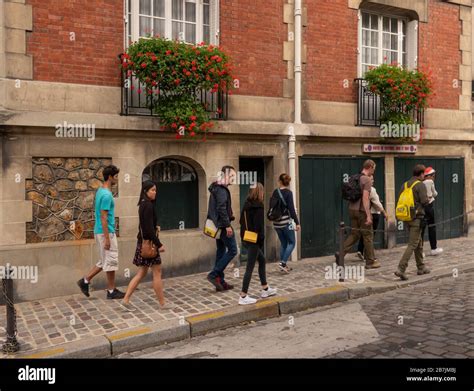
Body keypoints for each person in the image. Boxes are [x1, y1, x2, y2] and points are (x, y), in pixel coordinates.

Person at [121, 180, 173, 311]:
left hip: (143, 243)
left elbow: (144, 227)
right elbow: (148, 229)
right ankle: (163, 304)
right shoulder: (148, 205)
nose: (155, 192)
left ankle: (126, 300)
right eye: (152, 190)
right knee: (157, 272)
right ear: (146, 191)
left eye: (156, 190)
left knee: (142, 273)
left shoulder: (143, 204)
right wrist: (159, 244)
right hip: (150, 245)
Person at [77, 165, 125, 299]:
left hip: (100, 231)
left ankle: (85, 281)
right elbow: (104, 217)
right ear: (110, 177)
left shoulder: (100, 191)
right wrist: (108, 239)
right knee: (111, 260)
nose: (117, 179)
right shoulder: (106, 195)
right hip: (106, 232)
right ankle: (111, 291)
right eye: (116, 176)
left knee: (105, 259)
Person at [336, 160, 380, 269]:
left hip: (352, 210)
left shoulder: (354, 177)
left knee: (354, 234)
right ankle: (370, 261)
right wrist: (368, 215)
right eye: (373, 169)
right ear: (370, 167)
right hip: (362, 211)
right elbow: (365, 198)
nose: (373, 171)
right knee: (368, 235)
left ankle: (340, 253)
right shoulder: (367, 180)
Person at [239, 183, 277, 305]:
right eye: (262, 191)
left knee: (262, 260)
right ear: (259, 192)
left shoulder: (246, 205)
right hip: (254, 241)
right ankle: (243, 296)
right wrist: (260, 241)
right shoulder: (258, 207)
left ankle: (265, 289)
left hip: (247, 238)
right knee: (249, 267)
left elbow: (241, 221)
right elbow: (259, 227)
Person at [395, 164, 431, 281]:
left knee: (418, 242)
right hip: (417, 218)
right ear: (421, 174)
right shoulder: (420, 185)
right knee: (412, 244)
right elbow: (425, 202)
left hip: (407, 218)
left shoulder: (404, 185)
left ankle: (421, 267)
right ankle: (401, 269)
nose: (424, 177)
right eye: (423, 175)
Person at [206, 165, 237, 291]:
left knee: (221, 250)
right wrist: (227, 225)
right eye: (232, 176)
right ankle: (214, 274)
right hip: (223, 225)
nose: (233, 179)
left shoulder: (217, 187)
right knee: (233, 250)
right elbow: (221, 208)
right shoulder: (221, 189)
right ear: (225, 175)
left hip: (218, 225)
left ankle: (220, 280)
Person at [272, 173, 300, 273]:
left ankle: (284, 265)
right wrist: (297, 222)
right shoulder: (288, 193)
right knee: (292, 242)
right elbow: (292, 210)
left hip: (276, 223)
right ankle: (283, 263)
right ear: (288, 182)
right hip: (285, 222)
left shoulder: (275, 192)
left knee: (284, 243)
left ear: (279, 181)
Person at [356, 175, 388, 261]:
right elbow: (377, 203)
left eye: (373, 179)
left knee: (365, 233)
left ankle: (360, 250)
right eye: (371, 179)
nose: (373, 181)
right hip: (373, 214)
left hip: (364, 213)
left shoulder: (361, 189)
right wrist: (384, 212)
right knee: (370, 235)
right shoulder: (372, 189)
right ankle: (368, 254)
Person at [422, 167, 443, 256]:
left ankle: (420, 251)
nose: (434, 178)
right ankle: (433, 248)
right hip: (429, 207)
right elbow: (435, 193)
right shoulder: (430, 182)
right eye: (433, 176)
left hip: (422, 207)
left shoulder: (421, 183)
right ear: (430, 176)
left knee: (421, 229)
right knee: (432, 227)